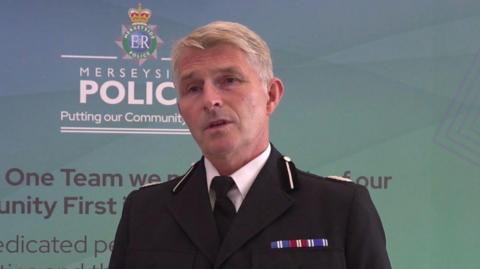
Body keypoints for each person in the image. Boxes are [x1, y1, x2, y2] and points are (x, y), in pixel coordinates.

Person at [108, 21, 392, 269]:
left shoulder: (339, 208)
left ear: (271, 95)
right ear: (181, 109)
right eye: (193, 88)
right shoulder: (145, 212)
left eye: (229, 81)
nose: (210, 100)